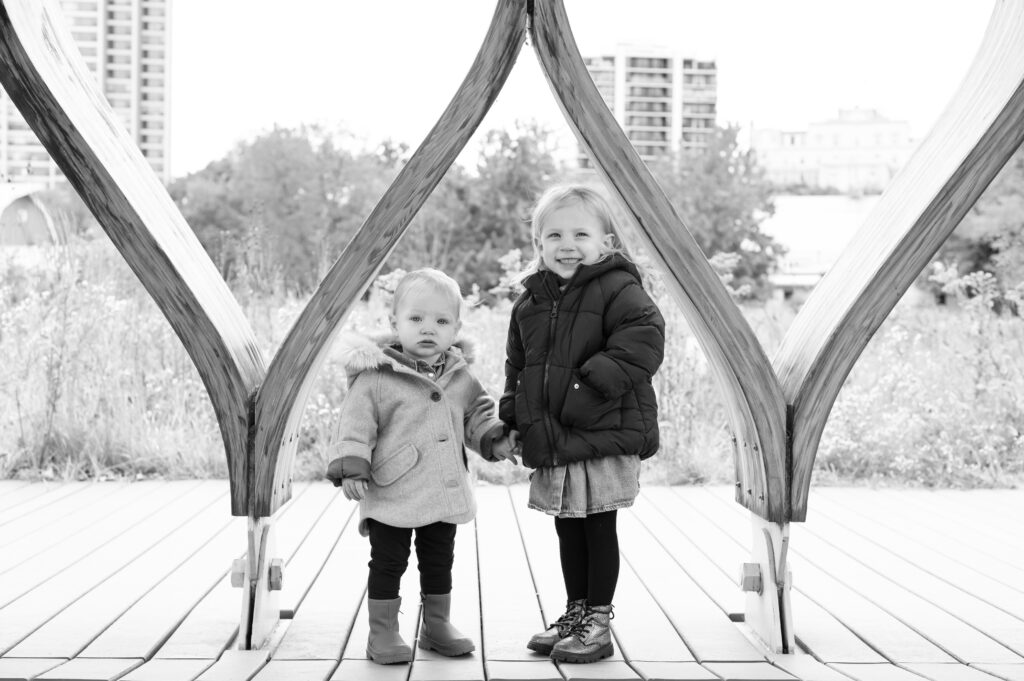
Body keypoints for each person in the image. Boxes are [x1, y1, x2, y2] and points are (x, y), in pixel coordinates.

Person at [500, 185, 665, 664]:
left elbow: (643, 342)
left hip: (603, 434)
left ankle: (598, 620)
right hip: (554, 437)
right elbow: (517, 368)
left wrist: (582, 389)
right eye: (553, 234)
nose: (566, 243)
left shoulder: (619, 288)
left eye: (580, 233)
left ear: (606, 243)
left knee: (598, 526)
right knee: (568, 529)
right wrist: (512, 420)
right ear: (539, 243)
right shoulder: (529, 303)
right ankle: (574, 613)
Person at [326, 268, 519, 665]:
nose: (427, 329)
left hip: (441, 488)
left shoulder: (460, 376)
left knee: (438, 560)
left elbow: (476, 415)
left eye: (441, 321)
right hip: (391, 489)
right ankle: (383, 633)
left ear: (456, 328)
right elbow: (355, 423)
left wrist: (495, 437)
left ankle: (436, 624)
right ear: (394, 323)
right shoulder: (377, 375)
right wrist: (352, 467)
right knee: (389, 561)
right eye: (416, 319)